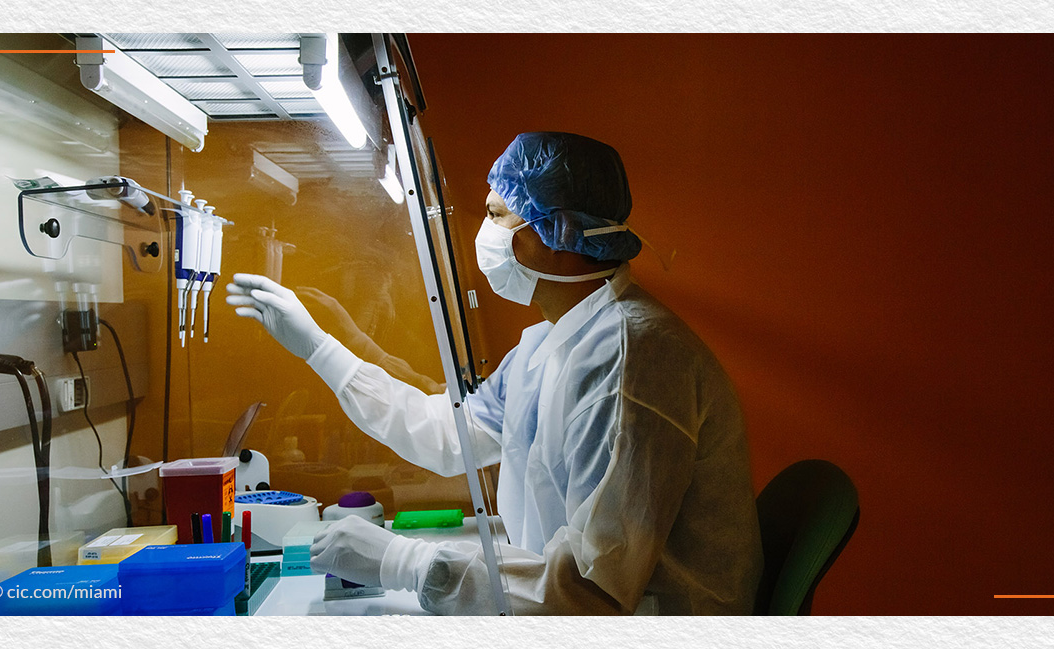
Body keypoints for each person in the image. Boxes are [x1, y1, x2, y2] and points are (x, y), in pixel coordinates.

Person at [226, 132, 762, 615]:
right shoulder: (547, 345)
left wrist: (408, 565)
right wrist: (319, 348)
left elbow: (590, 592)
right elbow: (445, 436)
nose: (484, 231)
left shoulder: (630, 359)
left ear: (558, 229)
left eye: (498, 214)